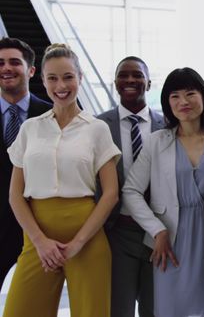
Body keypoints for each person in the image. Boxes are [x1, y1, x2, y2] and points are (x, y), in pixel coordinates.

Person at [4, 43, 120, 316]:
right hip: (37, 236)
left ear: (80, 78)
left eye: (68, 76)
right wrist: (40, 241)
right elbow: (15, 195)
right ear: (42, 80)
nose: (61, 85)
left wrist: (79, 242)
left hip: (88, 238)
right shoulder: (30, 128)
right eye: (53, 78)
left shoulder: (97, 129)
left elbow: (111, 193)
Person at [122, 67, 204, 317]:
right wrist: (157, 230)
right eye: (174, 96)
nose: (183, 102)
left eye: (190, 93)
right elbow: (131, 190)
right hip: (171, 245)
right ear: (167, 102)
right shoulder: (157, 142)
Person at [97, 56, 164, 317]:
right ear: (115, 83)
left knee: (156, 309)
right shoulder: (98, 126)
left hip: (158, 234)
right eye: (123, 75)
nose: (130, 80)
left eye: (137, 75)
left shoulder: (168, 125)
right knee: (117, 309)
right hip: (116, 233)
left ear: (148, 83)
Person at [0, 37, 51, 288]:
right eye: (0, 63)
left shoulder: (52, 115)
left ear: (31, 70)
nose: (6, 68)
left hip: (41, 224)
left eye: (14, 62)